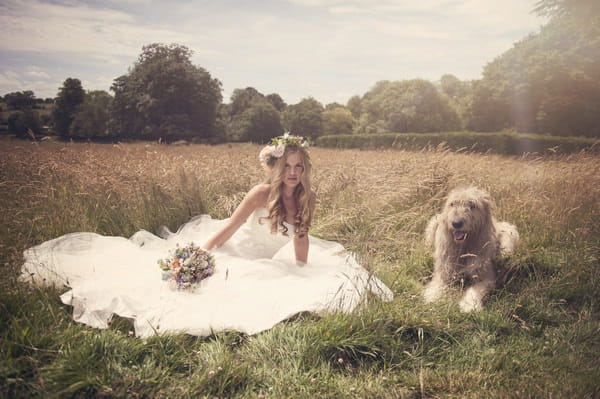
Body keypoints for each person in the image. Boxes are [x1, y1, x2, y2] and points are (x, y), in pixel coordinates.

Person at [20, 134, 393, 338]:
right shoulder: (259, 193)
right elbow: (229, 228)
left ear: (304, 169)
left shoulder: (308, 197)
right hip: (237, 252)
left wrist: (300, 269)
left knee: (302, 285)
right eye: (287, 165)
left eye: (299, 167)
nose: (293, 172)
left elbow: (302, 238)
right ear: (277, 166)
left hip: (270, 260)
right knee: (212, 288)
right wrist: (201, 253)